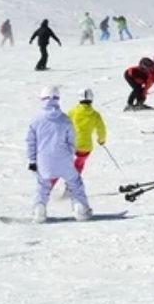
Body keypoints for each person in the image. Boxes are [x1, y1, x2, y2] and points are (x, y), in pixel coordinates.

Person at [26, 86, 92, 222]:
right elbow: (72, 140)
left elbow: (30, 141)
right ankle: (80, 209)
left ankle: (39, 211)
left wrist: (32, 160)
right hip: (64, 159)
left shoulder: (36, 120)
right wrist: (69, 153)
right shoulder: (65, 119)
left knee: (43, 185)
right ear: (58, 99)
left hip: (44, 160)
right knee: (75, 183)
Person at [68, 88, 107, 174]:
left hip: (72, 144)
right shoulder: (95, 115)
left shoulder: (72, 112)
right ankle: (73, 182)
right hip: (86, 146)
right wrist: (101, 140)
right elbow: (101, 129)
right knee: (79, 164)